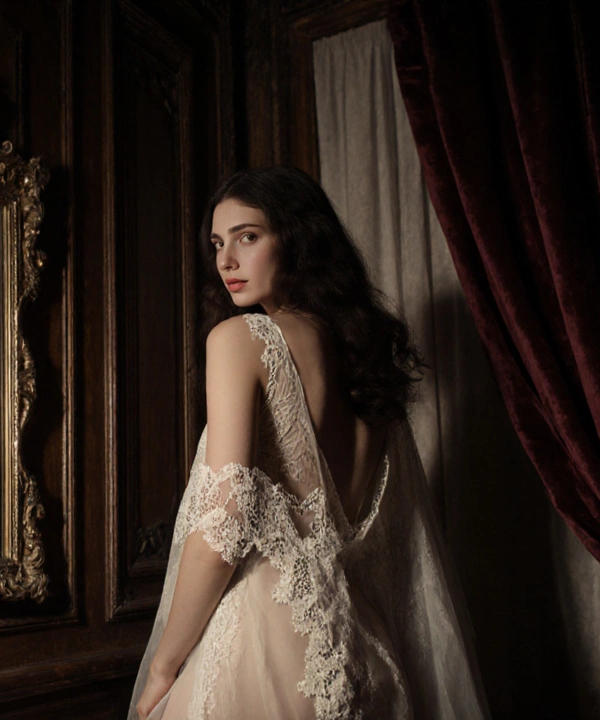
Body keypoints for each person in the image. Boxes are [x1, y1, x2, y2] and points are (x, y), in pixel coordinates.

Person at [130, 167, 486, 719]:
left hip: (264, 645)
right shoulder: (367, 362)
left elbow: (222, 528)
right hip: (364, 647)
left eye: (248, 237)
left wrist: (162, 667)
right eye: (218, 244)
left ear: (297, 239)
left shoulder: (240, 339)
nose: (226, 261)